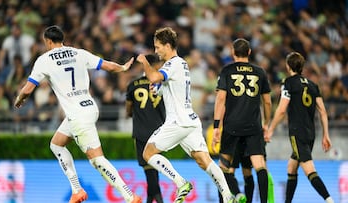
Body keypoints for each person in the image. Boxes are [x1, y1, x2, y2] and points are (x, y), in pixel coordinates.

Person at [14, 25, 142, 203]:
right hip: (89, 107)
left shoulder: (44, 60)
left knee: (97, 160)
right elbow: (107, 66)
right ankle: (76, 190)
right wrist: (122, 68)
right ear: (62, 39)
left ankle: (129, 195)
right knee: (57, 144)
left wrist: (20, 99)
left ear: (48, 41)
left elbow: (28, 89)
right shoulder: (78, 53)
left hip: (77, 115)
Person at [136, 27, 236, 203]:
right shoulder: (180, 64)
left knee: (148, 154)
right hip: (190, 120)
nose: (155, 50)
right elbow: (170, 87)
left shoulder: (173, 64)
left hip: (177, 122)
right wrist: (158, 89)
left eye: (158, 47)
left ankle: (181, 183)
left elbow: (153, 77)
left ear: (167, 46)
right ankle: (228, 196)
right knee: (204, 160)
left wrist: (144, 62)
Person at [265, 52, 334, 203]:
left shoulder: (288, 83)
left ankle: (329, 200)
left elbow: (282, 109)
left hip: (297, 133)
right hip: (310, 133)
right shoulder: (313, 85)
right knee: (291, 167)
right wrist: (326, 135)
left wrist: (270, 129)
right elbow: (322, 111)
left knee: (309, 170)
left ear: (288, 66)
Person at [212, 38, 271, 203]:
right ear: (249, 52)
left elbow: (220, 99)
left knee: (223, 168)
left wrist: (217, 126)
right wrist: (266, 122)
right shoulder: (260, 72)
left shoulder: (227, 71)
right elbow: (267, 101)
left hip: (232, 127)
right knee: (258, 165)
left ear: (233, 53)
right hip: (253, 126)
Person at [126, 54, 165, 203]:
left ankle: (158, 199)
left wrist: (131, 113)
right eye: (159, 64)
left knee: (149, 168)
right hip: (160, 131)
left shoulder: (133, 85)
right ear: (154, 66)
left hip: (141, 131)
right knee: (153, 168)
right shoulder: (162, 83)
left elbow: (128, 109)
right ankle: (153, 199)